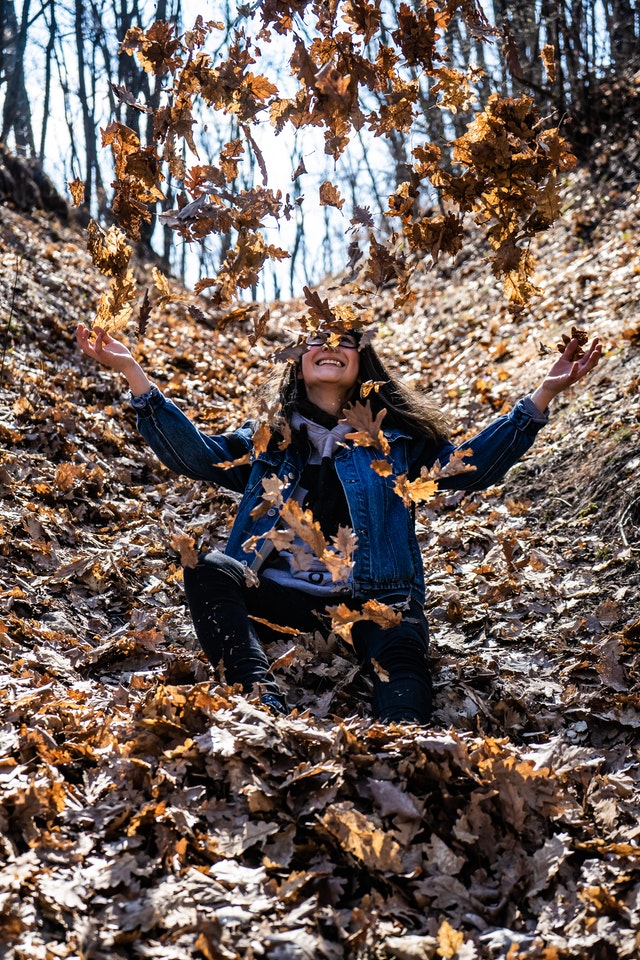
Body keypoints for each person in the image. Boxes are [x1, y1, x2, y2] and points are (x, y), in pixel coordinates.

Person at [76, 321, 602, 723]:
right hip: (281, 597)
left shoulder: (397, 442)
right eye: (315, 339)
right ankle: (261, 699)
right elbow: (197, 456)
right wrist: (133, 374)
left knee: (403, 669)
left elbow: (470, 465)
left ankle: (403, 747)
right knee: (207, 566)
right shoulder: (270, 441)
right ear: (298, 364)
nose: (330, 345)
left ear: (362, 361)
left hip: (374, 599)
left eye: (346, 339)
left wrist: (543, 396)